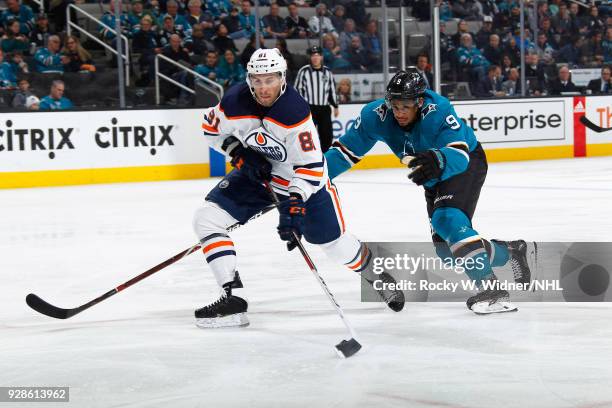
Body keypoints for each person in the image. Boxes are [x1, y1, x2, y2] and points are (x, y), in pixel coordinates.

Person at [192, 48, 404, 327]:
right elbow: (211, 128)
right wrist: (240, 153)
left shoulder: (294, 113)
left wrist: (293, 203)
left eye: (270, 79)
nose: (263, 87)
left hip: (304, 183)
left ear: (282, 78)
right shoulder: (233, 101)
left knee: (334, 245)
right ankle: (233, 299)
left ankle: (378, 277)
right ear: (249, 79)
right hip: (257, 176)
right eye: (256, 80)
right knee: (207, 219)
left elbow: (311, 167)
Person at [325, 69, 538, 315]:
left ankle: (492, 290)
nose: (399, 112)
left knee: (447, 219)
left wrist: (438, 159)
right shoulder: (376, 116)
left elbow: (459, 154)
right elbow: (344, 153)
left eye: (406, 106)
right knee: (447, 252)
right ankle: (512, 251)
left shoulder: (439, 110)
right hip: (431, 175)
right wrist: (311, 178)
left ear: (419, 101)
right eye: (395, 105)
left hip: (463, 164)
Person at [294, 46, 339, 153]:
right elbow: (297, 89)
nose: (315, 58)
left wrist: (336, 106)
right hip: (309, 108)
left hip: (324, 108)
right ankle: (310, 157)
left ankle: (325, 156)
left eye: (317, 55)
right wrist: (300, 106)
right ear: (310, 57)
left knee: (326, 135)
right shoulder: (304, 71)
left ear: (321, 57)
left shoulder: (327, 72)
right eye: (313, 55)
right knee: (308, 134)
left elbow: (332, 90)